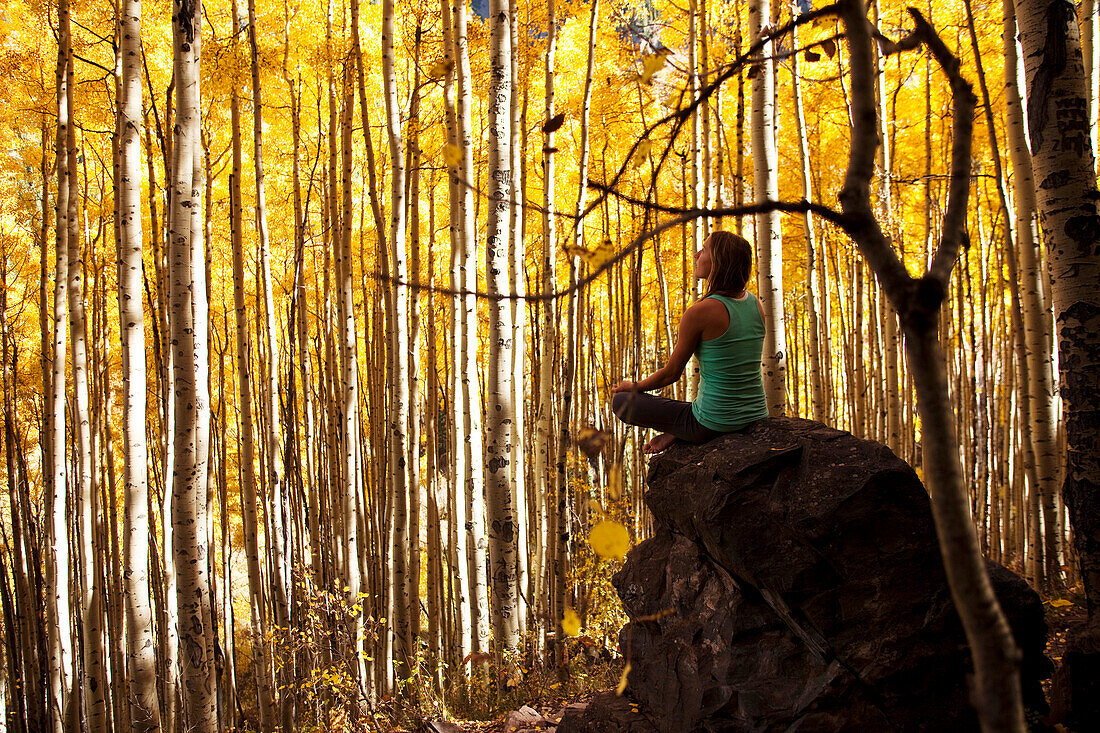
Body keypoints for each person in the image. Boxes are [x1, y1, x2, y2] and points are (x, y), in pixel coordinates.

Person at [611, 230, 769, 454]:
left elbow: (671, 374)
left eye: (704, 250)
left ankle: (683, 430)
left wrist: (633, 386)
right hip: (755, 415)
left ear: (719, 261)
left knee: (622, 402)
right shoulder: (755, 303)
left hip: (713, 424)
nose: (696, 255)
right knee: (698, 403)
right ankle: (678, 430)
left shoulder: (700, 312)